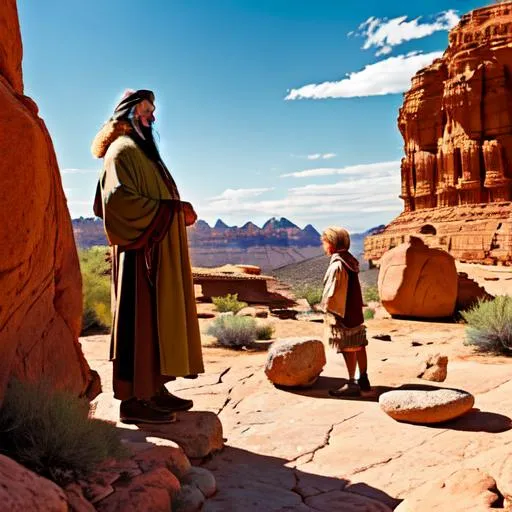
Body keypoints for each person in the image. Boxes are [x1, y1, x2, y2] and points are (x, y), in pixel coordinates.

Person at [91, 89, 204, 424]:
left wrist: (174, 210)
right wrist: (172, 210)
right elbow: (115, 203)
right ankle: (134, 400)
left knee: (158, 322)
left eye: (153, 111)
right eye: (145, 111)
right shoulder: (122, 151)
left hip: (156, 252)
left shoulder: (143, 153)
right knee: (139, 324)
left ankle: (155, 389)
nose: (152, 117)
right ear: (128, 114)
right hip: (139, 257)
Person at [320, 227, 372, 397]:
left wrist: (330, 311)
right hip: (354, 310)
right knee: (359, 344)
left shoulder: (338, 265)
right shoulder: (350, 260)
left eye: (325, 242)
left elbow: (333, 292)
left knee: (348, 346)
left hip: (343, 311)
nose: (323, 246)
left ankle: (352, 383)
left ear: (332, 244)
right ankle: (363, 378)